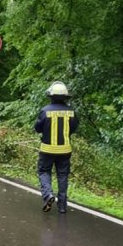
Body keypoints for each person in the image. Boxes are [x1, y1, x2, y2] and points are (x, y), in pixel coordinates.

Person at [34, 81, 78, 213]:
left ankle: (48, 195)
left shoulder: (45, 111)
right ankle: (62, 206)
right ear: (65, 96)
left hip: (47, 149)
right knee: (63, 175)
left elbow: (37, 128)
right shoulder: (71, 112)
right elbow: (74, 128)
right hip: (65, 150)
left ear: (51, 96)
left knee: (43, 172)